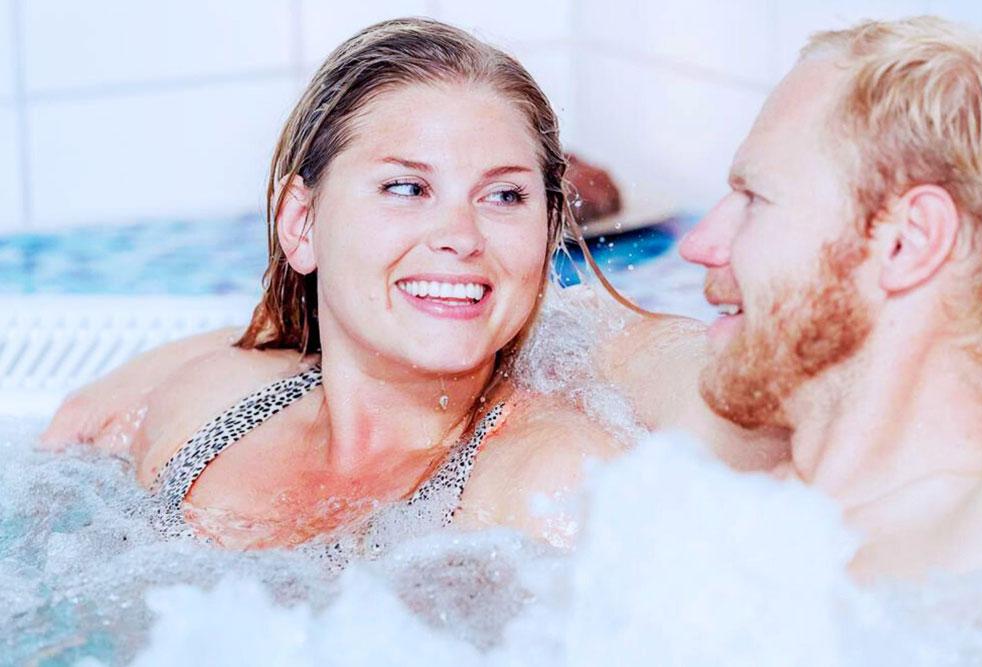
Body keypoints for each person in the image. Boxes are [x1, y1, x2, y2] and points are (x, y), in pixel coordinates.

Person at [42, 18, 617, 556]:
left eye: (504, 196)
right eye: (406, 187)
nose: (461, 237)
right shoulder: (206, 410)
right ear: (301, 223)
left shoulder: (554, 490)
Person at [612, 16, 982, 579]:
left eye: (755, 198)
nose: (698, 245)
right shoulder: (726, 452)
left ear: (906, 242)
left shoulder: (970, 571)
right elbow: (584, 339)